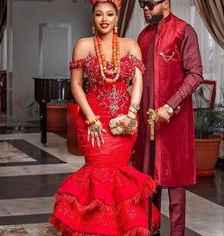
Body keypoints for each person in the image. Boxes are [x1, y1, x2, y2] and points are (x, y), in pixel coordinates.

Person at [51, 0, 160, 235]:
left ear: (117, 18)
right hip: (93, 119)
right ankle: (95, 228)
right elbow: (76, 85)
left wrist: (132, 114)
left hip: (125, 118)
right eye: (99, 14)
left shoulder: (131, 45)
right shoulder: (83, 45)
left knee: (119, 171)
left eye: (110, 14)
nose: (104, 19)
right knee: (97, 170)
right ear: (93, 18)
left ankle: (119, 228)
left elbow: (139, 81)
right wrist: (91, 118)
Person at [135, 0, 203, 236]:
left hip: (174, 123)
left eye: (150, 3)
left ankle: (177, 233)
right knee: (147, 182)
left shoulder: (184, 31)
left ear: (166, 3)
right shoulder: (143, 36)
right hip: (147, 121)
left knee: (175, 184)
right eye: (142, 4)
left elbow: (195, 74)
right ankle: (151, 230)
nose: (145, 8)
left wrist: (171, 106)